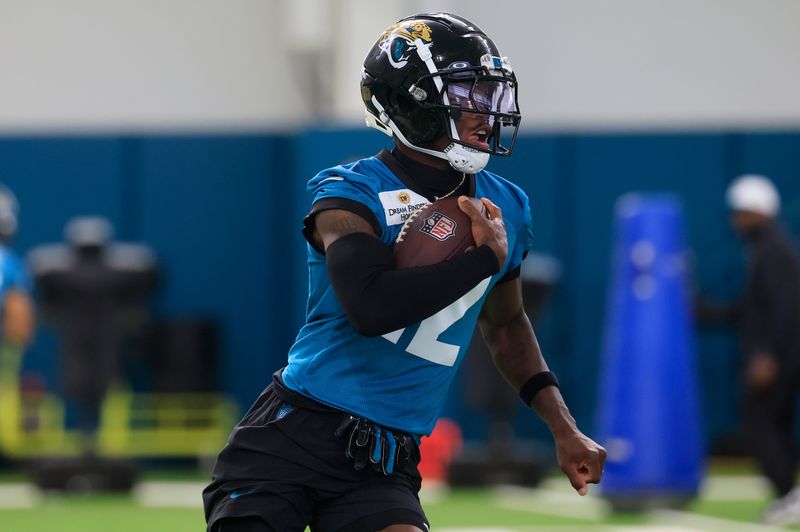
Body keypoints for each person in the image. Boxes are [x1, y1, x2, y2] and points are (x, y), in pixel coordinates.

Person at [203, 12, 606, 532]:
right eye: (468, 94)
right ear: (409, 102)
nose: (487, 113)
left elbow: (506, 325)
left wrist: (563, 426)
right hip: (295, 435)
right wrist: (481, 259)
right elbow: (371, 307)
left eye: (490, 94)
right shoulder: (349, 193)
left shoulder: (508, 204)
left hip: (385, 460)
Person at [725, 175, 800, 525]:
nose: (736, 220)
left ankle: (788, 492)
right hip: (778, 354)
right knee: (774, 424)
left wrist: (769, 354)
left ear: (759, 211)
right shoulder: (765, 250)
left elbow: (787, 306)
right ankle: (787, 493)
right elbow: (752, 309)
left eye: (741, 212)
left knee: (760, 424)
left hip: (779, 357)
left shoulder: (774, 250)